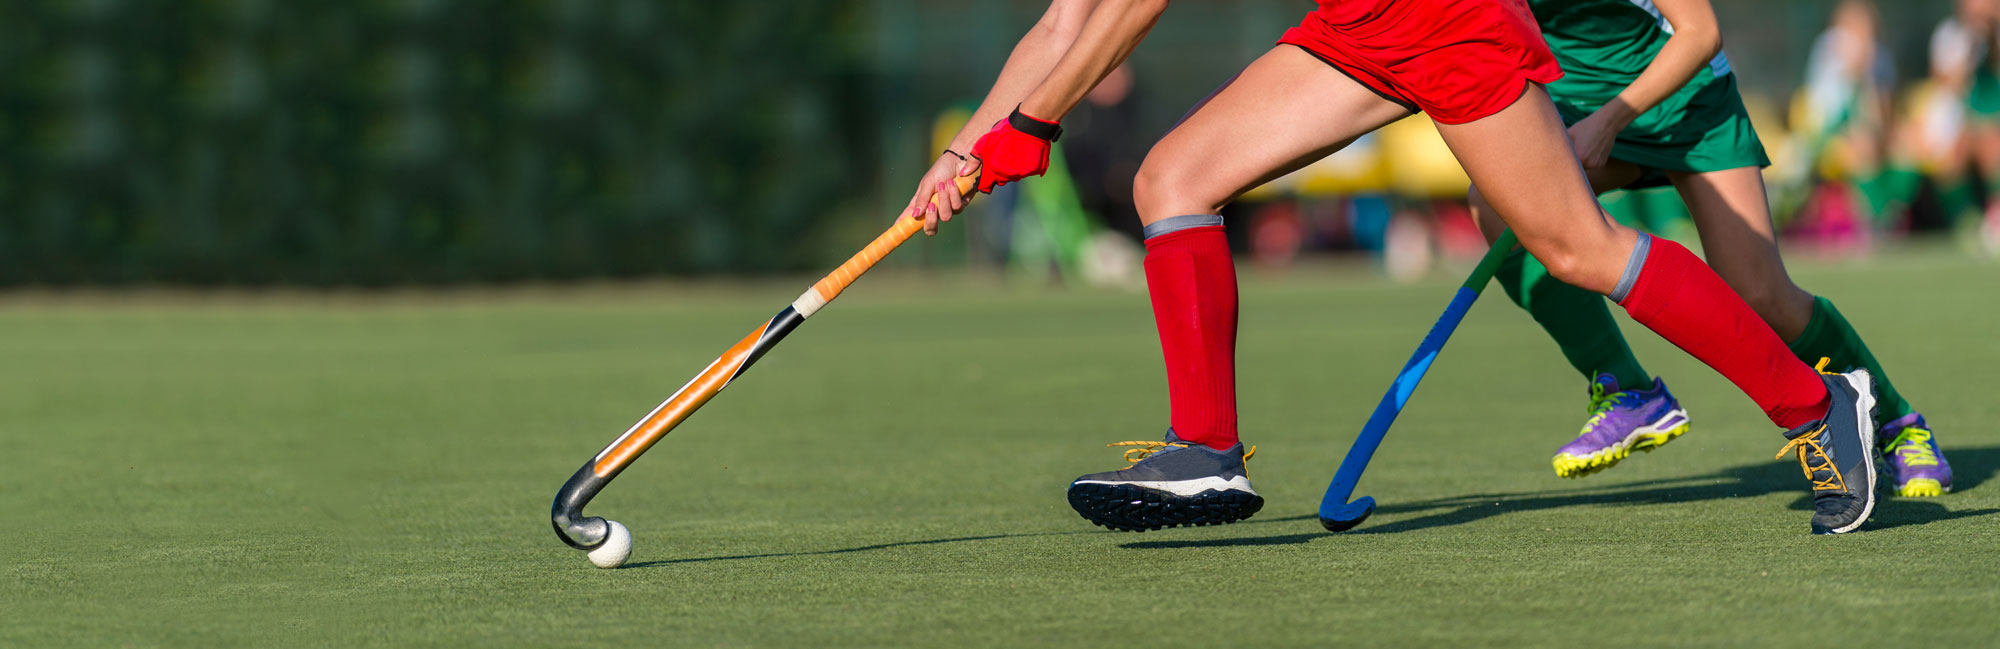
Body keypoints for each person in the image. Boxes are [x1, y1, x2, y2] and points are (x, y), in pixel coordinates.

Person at [903, 0, 1879, 535]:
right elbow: (1066, 21)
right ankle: (1204, 454)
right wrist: (963, 154)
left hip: (1443, 16)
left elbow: (1127, 11)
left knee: (1573, 246)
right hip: (1355, 23)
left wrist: (1030, 125)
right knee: (1174, 179)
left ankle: (1817, 408)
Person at [1467, 0, 1951, 497]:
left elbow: (1701, 33)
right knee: (1494, 200)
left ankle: (1897, 424)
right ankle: (1624, 386)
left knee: (1761, 294)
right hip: (1575, 106)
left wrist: (1608, 122)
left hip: (1686, 104)